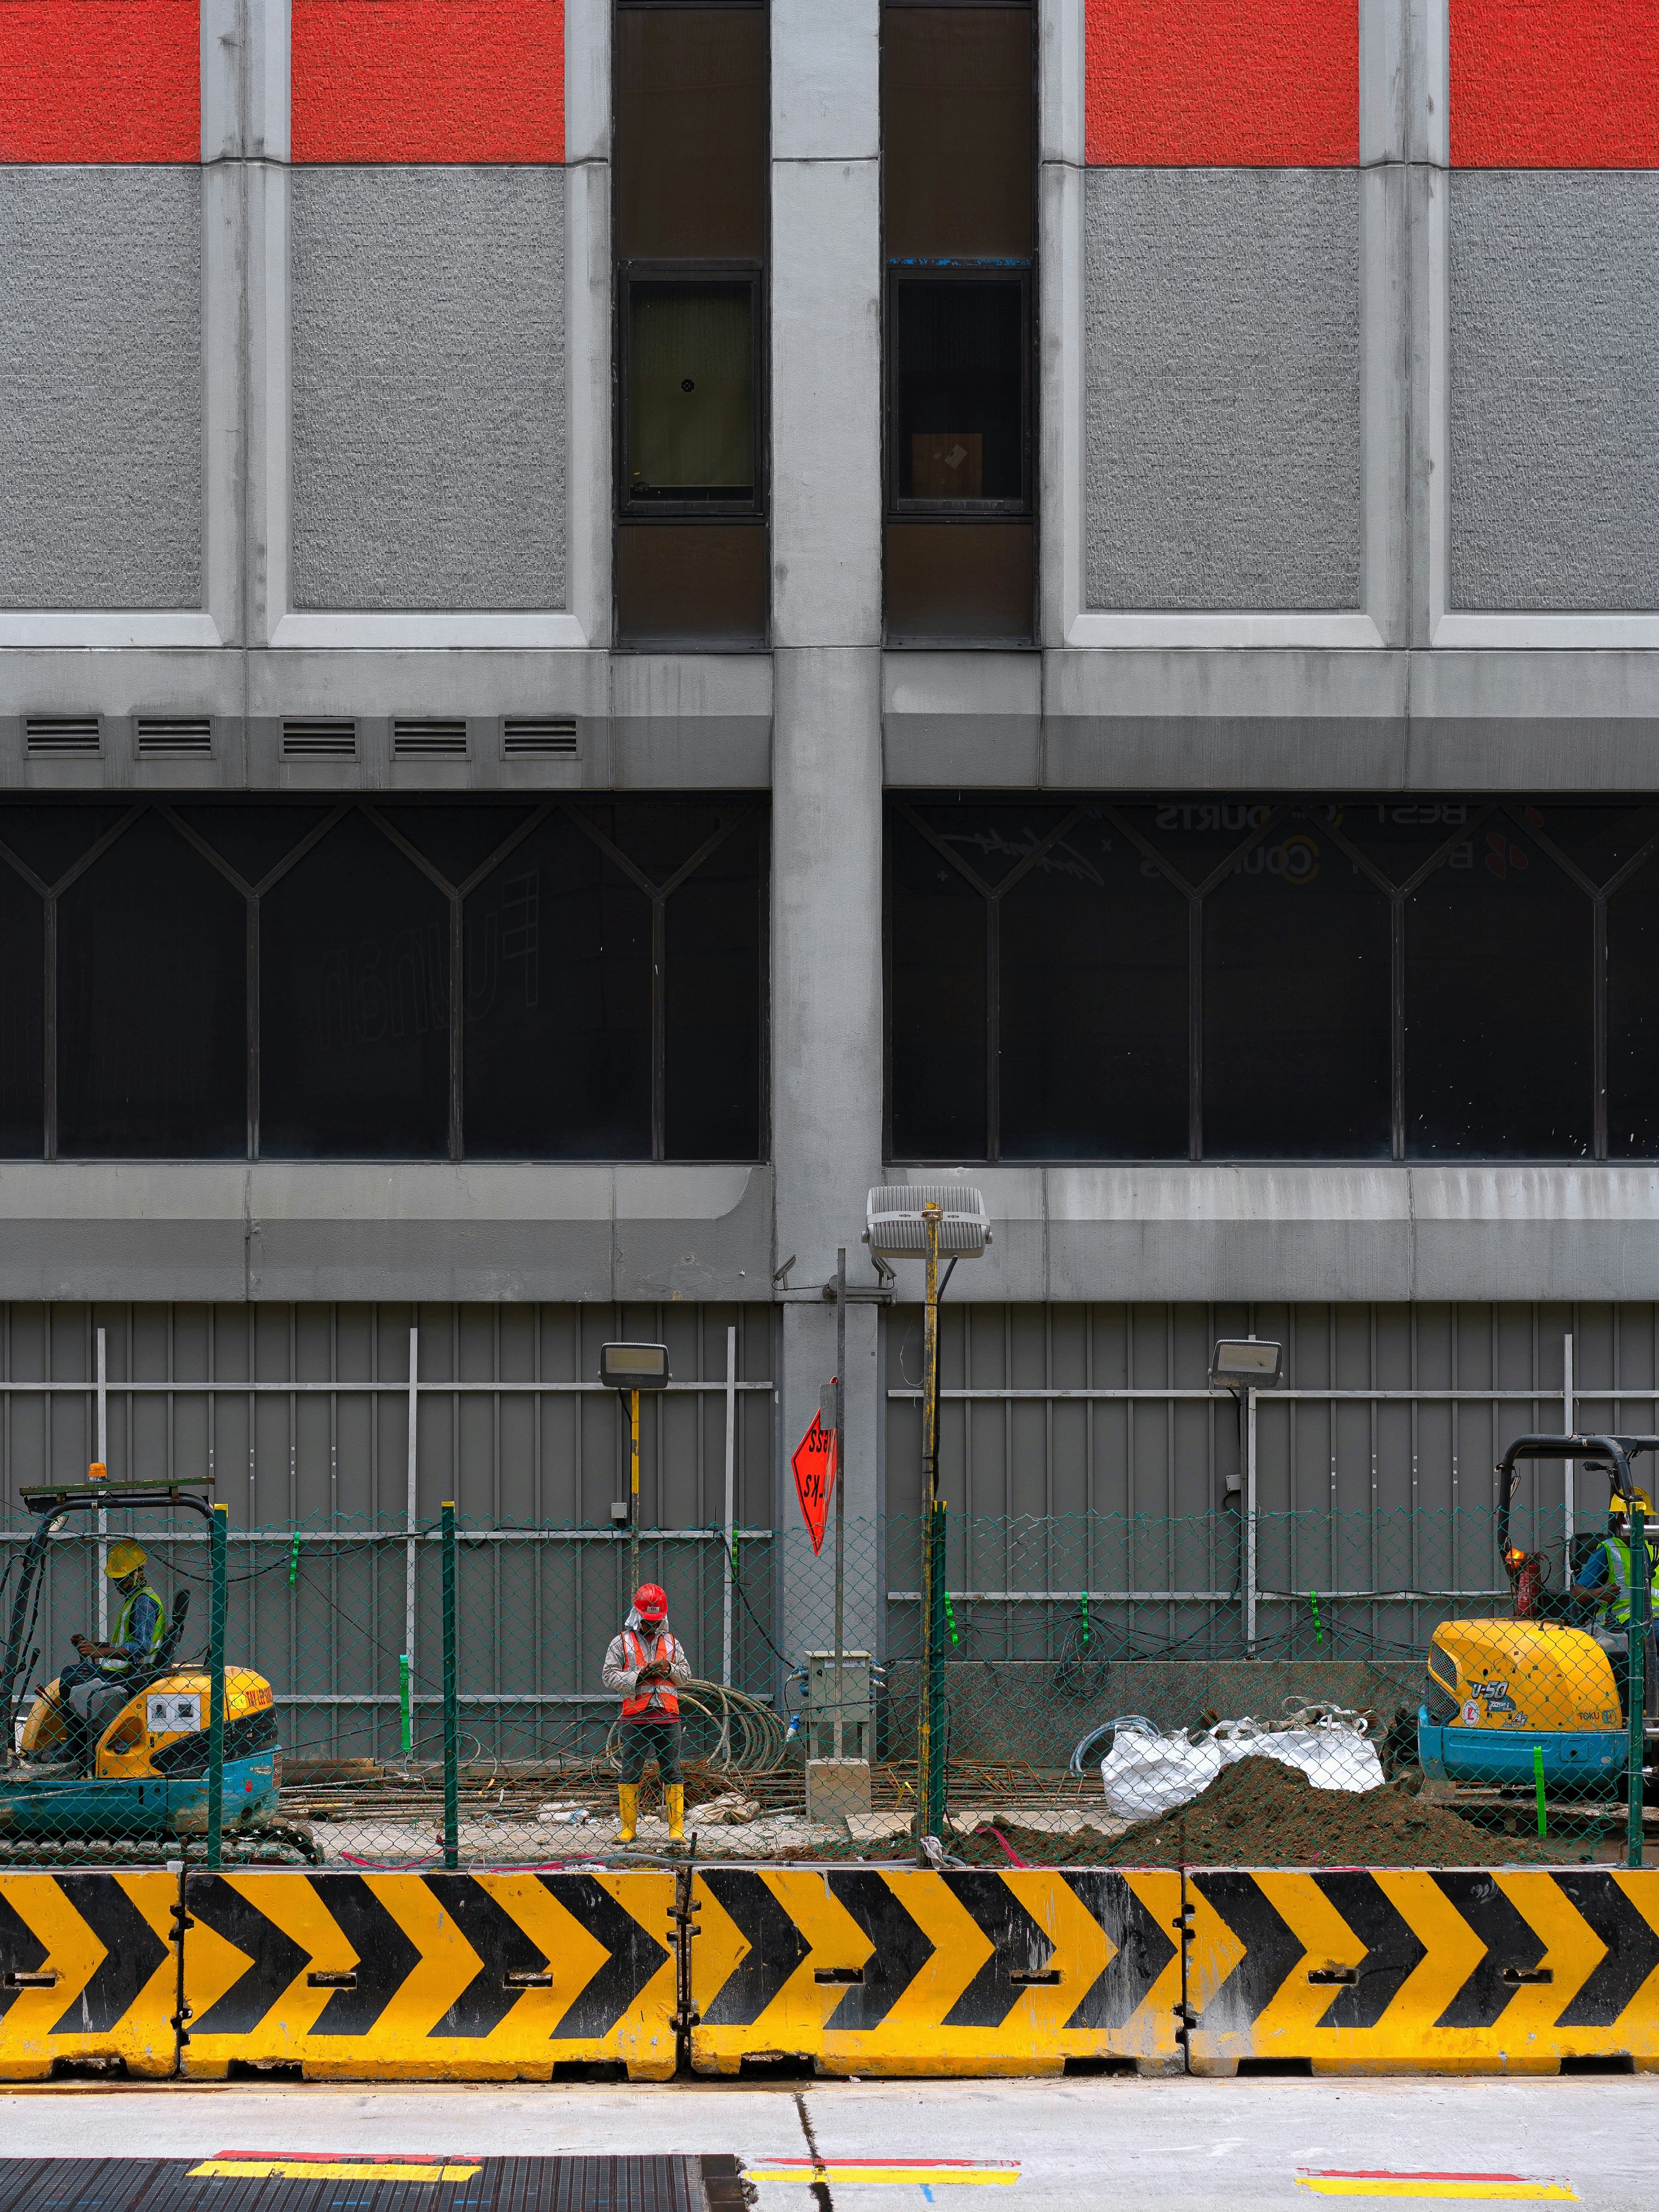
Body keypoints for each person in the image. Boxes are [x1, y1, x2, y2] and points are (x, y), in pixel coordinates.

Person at [54, 1540, 168, 1767]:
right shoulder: (135, 1599)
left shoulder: (144, 1602)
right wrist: (93, 1644)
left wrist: (99, 1651)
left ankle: (77, 1744)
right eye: (115, 1578)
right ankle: (77, 1740)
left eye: (121, 1577)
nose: (117, 1582)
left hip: (134, 1676)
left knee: (70, 1680)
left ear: (138, 1573)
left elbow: (142, 1648)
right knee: (68, 1673)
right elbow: (124, 1642)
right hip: (127, 1670)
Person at [602, 1582, 691, 1843]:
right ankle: (628, 1829)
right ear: (637, 1616)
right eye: (647, 1621)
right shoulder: (621, 1642)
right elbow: (608, 1676)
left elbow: (685, 1675)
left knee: (672, 1771)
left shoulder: (673, 1642)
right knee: (630, 1770)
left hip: (668, 1715)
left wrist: (670, 1669)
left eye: (655, 1621)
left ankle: (677, 1831)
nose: (651, 1626)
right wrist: (639, 1675)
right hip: (636, 1717)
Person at [1573, 1482, 1659, 1719]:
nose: (1646, 1525)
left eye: (1647, 1519)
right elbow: (1577, 1592)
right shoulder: (1608, 1550)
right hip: (1624, 1620)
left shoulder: (1655, 1550)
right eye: (1639, 1518)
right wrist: (1600, 1592)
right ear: (1621, 1521)